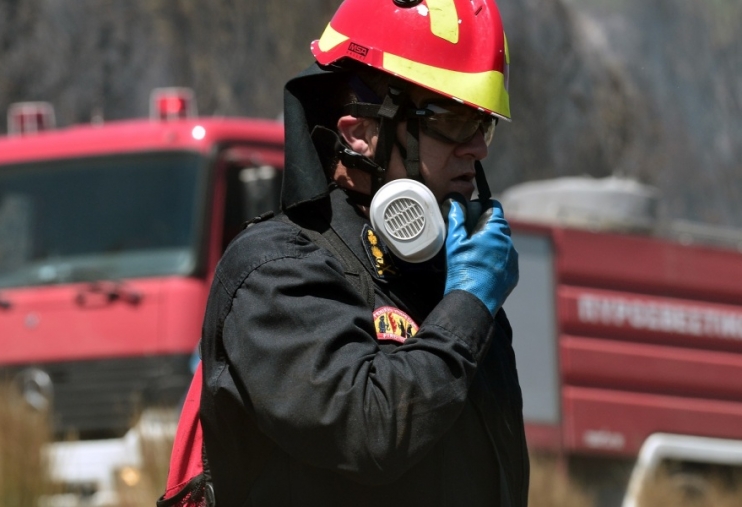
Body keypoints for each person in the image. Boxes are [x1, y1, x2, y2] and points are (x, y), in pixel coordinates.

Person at [198, 0, 527, 503]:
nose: (478, 149)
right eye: (454, 122)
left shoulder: (448, 285)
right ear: (361, 132)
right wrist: (467, 307)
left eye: (482, 125)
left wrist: (465, 305)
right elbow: (371, 433)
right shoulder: (274, 274)